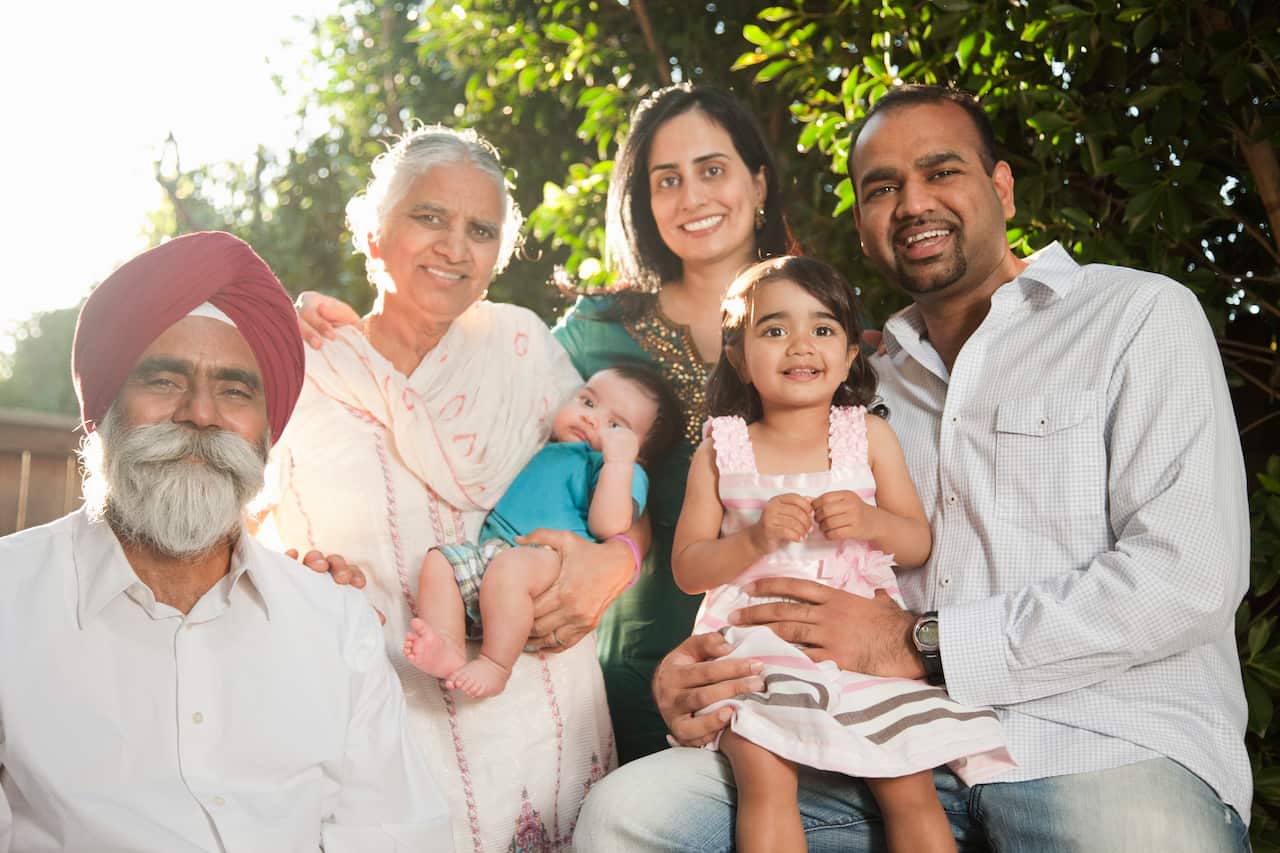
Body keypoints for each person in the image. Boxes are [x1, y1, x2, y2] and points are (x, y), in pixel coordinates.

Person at [574, 85, 1251, 851]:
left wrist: (924, 643)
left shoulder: (1134, 318)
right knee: (628, 817)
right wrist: (691, 676)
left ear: (1001, 186)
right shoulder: (855, 383)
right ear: (862, 229)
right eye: (883, 188)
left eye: (942, 172)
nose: (912, 203)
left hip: (1102, 740)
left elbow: (1186, 576)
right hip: (869, 742)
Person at [298, 84, 800, 763]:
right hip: (643, 678)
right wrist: (336, 328)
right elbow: (451, 356)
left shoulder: (822, 330)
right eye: (667, 179)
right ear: (643, 201)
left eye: (713, 170)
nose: (692, 197)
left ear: (760, 181)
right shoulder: (594, 334)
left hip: (796, 664)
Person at [0, 231, 451, 851]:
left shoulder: (335, 623)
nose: (202, 414)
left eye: (236, 391)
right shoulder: (10, 600)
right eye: (164, 381)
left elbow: (399, 834)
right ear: (104, 407)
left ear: (266, 433)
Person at [262, 125, 636, 852]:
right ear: (372, 233)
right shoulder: (304, 376)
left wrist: (614, 557)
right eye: (429, 216)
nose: (454, 247)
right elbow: (251, 546)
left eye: (480, 229)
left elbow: (617, 492)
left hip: (546, 721)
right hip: (387, 727)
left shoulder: (524, 349)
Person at [673, 255, 1013, 853]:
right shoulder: (723, 450)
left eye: (823, 329)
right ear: (737, 357)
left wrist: (871, 520)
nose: (800, 345)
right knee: (764, 777)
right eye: (774, 330)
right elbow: (687, 568)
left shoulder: (867, 436)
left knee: (907, 780)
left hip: (860, 643)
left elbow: (918, 541)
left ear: (851, 355)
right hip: (760, 643)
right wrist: (752, 540)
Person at [405, 365, 681, 698]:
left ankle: (495, 664)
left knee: (509, 571)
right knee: (440, 562)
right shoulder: (544, 445)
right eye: (588, 402)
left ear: (640, 453)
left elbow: (608, 525)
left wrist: (619, 463)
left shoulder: (618, 470)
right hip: (496, 551)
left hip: (551, 560)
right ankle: (448, 643)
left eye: (615, 425)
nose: (592, 419)